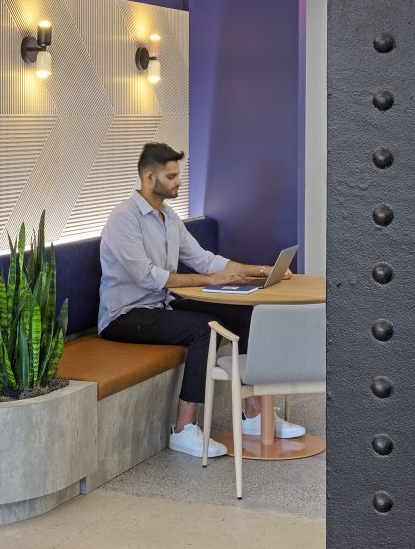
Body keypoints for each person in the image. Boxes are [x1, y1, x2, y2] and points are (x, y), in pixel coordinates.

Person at [98, 142, 305, 458]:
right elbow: (148, 277)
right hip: (125, 316)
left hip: (161, 305)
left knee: (248, 313)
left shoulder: (169, 218)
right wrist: (211, 281)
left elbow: (205, 260)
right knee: (202, 329)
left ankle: (253, 413)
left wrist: (259, 270)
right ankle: (182, 429)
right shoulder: (124, 219)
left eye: (178, 174)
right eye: (171, 176)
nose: (179, 181)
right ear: (149, 177)